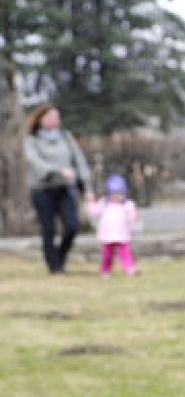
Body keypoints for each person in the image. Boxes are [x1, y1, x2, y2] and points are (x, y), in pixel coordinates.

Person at [22, 103, 94, 275]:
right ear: (41, 119)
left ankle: (60, 259)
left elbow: (79, 162)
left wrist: (87, 187)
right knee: (48, 230)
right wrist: (58, 172)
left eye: (57, 117)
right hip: (42, 190)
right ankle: (54, 267)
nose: (56, 120)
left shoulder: (66, 138)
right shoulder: (32, 140)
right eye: (52, 117)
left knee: (72, 226)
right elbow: (34, 161)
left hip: (65, 189)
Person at [86, 174, 140, 277]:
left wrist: (135, 216)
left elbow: (131, 215)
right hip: (108, 235)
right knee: (107, 255)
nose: (116, 196)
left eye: (119, 194)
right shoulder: (104, 203)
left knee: (125, 254)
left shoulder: (127, 204)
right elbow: (94, 211)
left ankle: (129, 269)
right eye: (113, 194)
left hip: (122, 235)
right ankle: (105, 271)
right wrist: (90, 202)